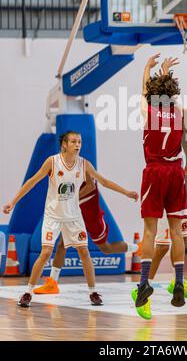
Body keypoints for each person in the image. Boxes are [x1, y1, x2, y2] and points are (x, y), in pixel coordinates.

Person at [2, 131, 138, 307]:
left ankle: (93, 292)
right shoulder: (52, 162)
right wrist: (13, 202)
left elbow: (104, 182)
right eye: (74, 141)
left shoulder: (84, 164)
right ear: (64, 144)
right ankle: (27, 293)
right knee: (45, 253)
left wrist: (126, 192)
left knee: (84, 252)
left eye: (79, 141)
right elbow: (32, 181)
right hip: (53, 217)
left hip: (74, 217)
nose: (78, 144)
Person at [134, 54, 187, 319]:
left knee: (149, 230)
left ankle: (144, 282)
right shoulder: (178, 112)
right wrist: (166, 72)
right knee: (176, 231)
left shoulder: (149, 111)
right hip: (176, 172)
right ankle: (179, 280)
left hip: (155, 171)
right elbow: (169, 94)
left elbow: (147, 93)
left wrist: (147, 69)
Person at [131, 158, 187, 319]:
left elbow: (183, 168)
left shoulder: (178, 145)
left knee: (182, 239)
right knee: (163, 245)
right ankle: (142, 289)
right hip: (164, 195)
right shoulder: (162, 144)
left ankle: (177, 279)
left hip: (178, 193)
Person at [33, 172, 140, 295]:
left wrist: (126, 192)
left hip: (92, 218)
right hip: (74, 216)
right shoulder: (62, 168)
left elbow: (92, 186)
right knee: (62, 245)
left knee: (106, 248)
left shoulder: (83, 166)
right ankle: (52, 284)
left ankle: (137, 247)